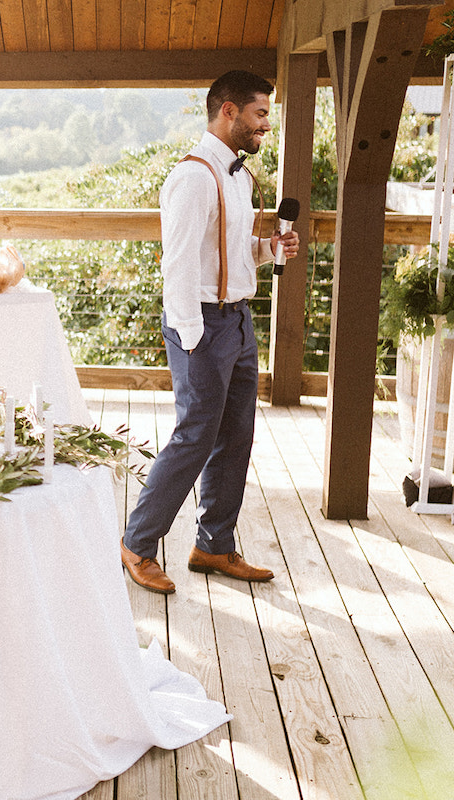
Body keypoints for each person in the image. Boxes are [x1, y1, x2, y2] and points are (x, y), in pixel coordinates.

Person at [121, 70, 300, 595]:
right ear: (228, 111)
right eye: (259, 113)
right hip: (201, 322)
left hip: (239, 321)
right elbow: (176, 266)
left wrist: (268, 251)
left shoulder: (239, 177)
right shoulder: (193, 177)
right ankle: (137, 542)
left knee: (236, 434)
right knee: (195, 435)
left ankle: (213, 545)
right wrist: (194, 337)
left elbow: (229, 252)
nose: (266, 124)